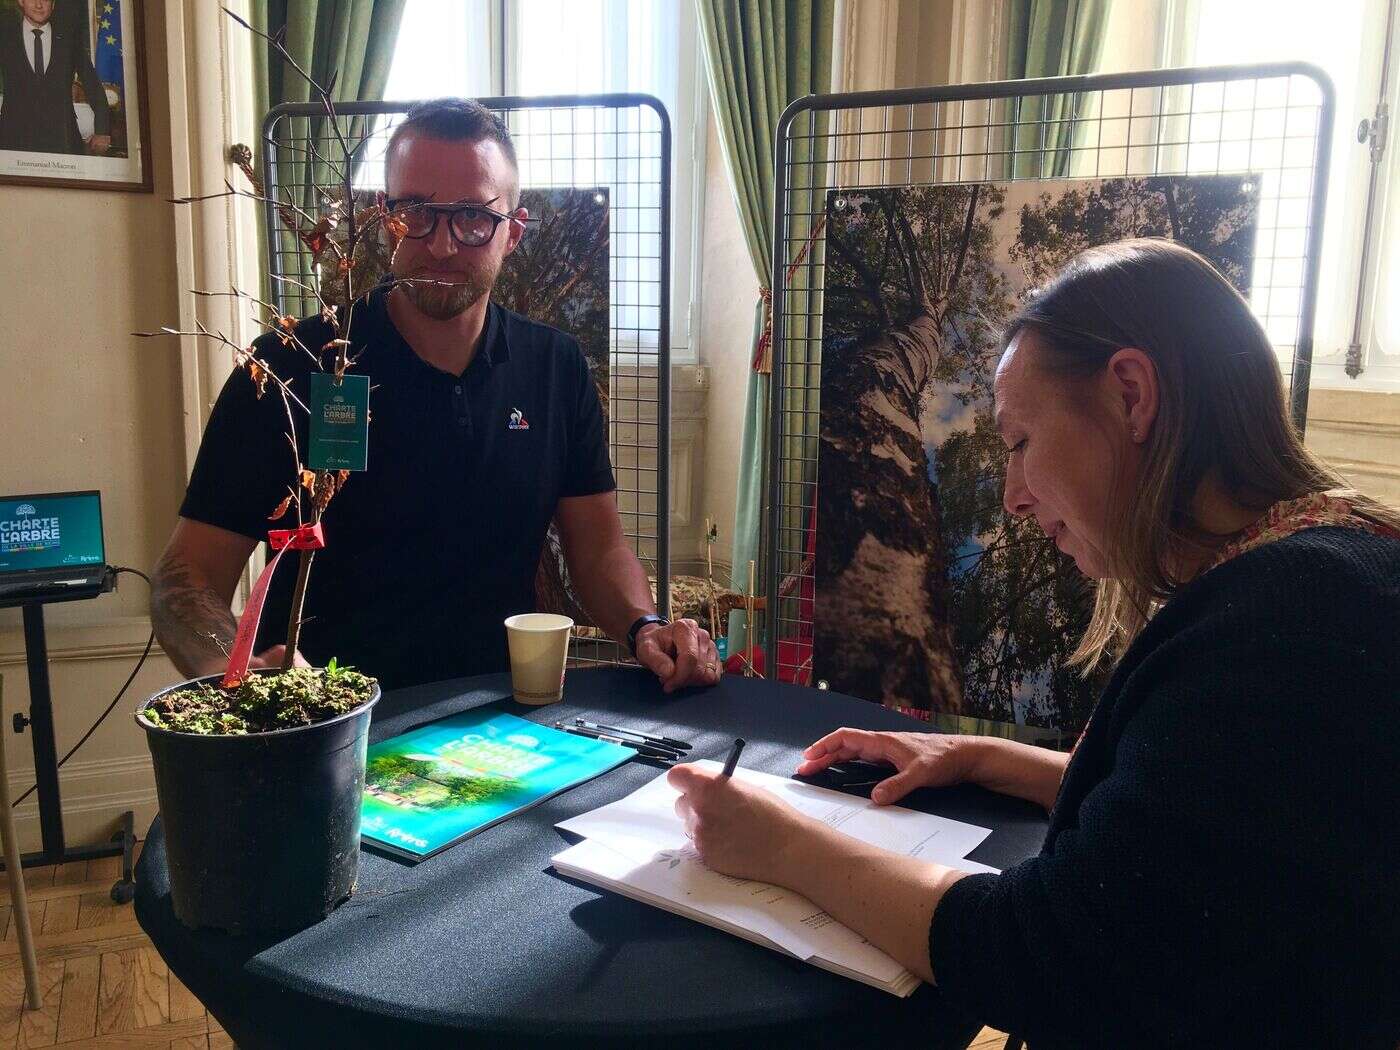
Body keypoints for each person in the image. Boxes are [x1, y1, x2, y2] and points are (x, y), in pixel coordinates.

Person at [669, 239, 1400, 1048]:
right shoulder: (1330, 572)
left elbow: (1051, 958)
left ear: (1130, 394)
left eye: (1019, 442)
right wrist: (982, 757)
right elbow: (1206, 821)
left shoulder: (1292, 624)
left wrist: (784, 844)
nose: (1014, 496)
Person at [152, 98, 720, 693]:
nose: (443, 245)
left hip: (502, 721)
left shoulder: (555, 367)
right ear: (383, 218)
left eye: (473, 217)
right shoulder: (289, 367)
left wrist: (645, 626)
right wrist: (233, 670)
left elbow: (598, 547)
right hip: (326, 727)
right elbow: (183, 577)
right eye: (417, 213)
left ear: (514, 232)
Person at [0, 0, 111, 155]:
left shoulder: (68, 39)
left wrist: (102, 130)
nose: (39, 5)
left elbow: (92, 84)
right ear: (21, 1)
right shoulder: (5, 36)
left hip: (63, 143)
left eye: (45, 0)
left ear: (53, 5)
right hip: (13, 143)